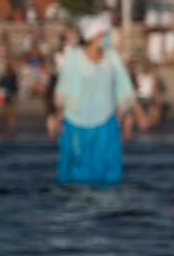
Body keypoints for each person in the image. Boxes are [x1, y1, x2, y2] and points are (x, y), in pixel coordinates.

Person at [55, 15, 148, 184]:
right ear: (92, 37)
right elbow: (64, 88)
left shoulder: (112, 58)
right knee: (75, 168)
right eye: (102, 35)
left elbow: (124, 85)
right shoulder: (74, 58)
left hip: (106, 121)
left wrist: (138, 112)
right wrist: (58, 116)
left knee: (108, 168)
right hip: (76, 121)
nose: (106, 38)